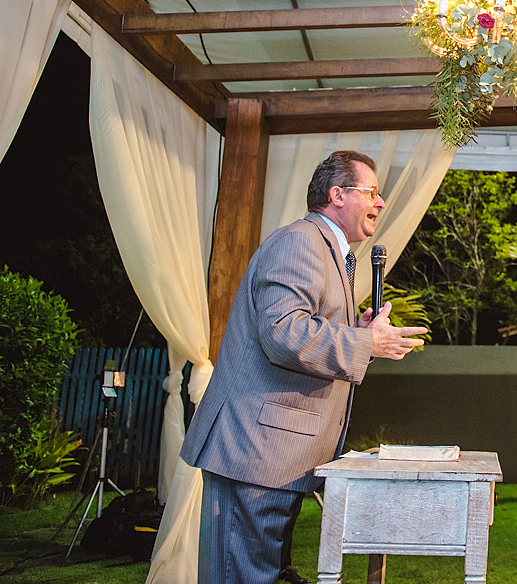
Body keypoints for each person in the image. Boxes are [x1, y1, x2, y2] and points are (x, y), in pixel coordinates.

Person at [181, 150, 427, 584]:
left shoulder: (330, 251)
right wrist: (364, 341)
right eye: (372, 192)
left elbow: (302, 323)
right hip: (258, 451)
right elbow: (282, 331)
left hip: (273, 455)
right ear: (337, 195)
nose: (381, 202)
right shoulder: (301, 242)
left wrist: (357, 332)